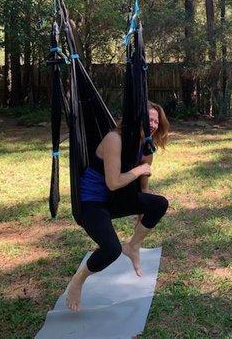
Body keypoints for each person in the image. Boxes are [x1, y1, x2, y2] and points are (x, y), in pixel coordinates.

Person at [66, 101, 170, 312]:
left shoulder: (146, 146)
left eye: (156, 121)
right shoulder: (114, 139)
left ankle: (132, 246)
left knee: (159, 204)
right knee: (111, 250)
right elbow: (113, 182)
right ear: (136, 118)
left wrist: (143, 207)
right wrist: (140, 169)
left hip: (116, 200)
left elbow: (142, 188)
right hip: (92, 203)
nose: (152, 124)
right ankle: (78, 280)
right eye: (148, 119)